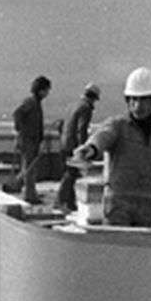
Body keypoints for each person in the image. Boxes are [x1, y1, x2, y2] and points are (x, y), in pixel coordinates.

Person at [71, 68, 151, 228]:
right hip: (118, 206)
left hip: (145, 208)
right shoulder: (118, 126)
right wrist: (91, 149)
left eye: (143, 100)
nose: (137, 105)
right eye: (133, 100)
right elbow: (103, 136)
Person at [55, 83, 101, 211]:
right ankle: (60, 201)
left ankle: (70, 203)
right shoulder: (85, 108)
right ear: (93, 98)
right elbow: (81, 130)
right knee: (71, 174)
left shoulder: (73, 105)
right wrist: (84, 149)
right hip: (73, 146)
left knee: (70, 173)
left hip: (64, 143)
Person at [13, 75, 52, 205]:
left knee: (29, 167)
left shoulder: (36, 103)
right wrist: (21, 130)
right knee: (29, 168)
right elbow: (17, 114)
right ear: (41, 90)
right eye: (46, 90)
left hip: (33, 140)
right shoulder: (30, 102)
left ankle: (19, 187)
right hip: (28, 140)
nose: (47, 93)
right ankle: (29, 195)